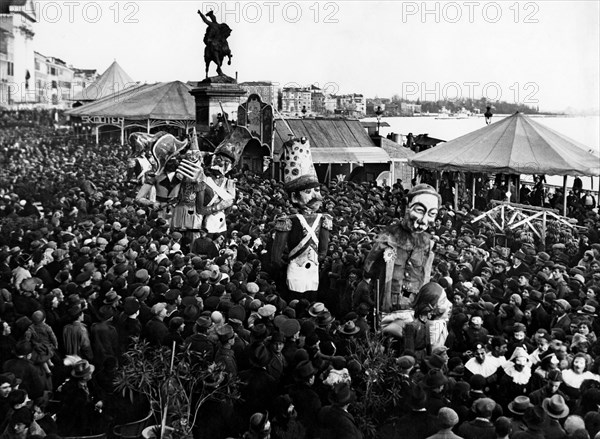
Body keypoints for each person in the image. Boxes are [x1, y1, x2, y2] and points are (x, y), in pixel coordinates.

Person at [271, 137, 332, 301]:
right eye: (309, 191)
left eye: (317, 190)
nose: (316, 196)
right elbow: (323, 252)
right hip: (307, 271)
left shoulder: (321, 219)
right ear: (295, 197)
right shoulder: (289, 220)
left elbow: (276, 259)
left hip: (300, 271)